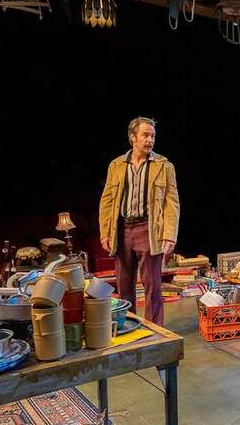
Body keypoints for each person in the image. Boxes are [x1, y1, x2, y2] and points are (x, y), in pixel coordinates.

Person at [98, 117, 180, 325]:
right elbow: (106, 201)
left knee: (152, 284)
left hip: (148, 229)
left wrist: (170, 234)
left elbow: (172, 202)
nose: (150, 140)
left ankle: (155, 331)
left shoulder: (163, 166)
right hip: (122, 229)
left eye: (152, 136)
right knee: (124, 284)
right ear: (132, 137)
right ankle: (127, 325)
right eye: (145, 135)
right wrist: (105, 232)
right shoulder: (116, 165)